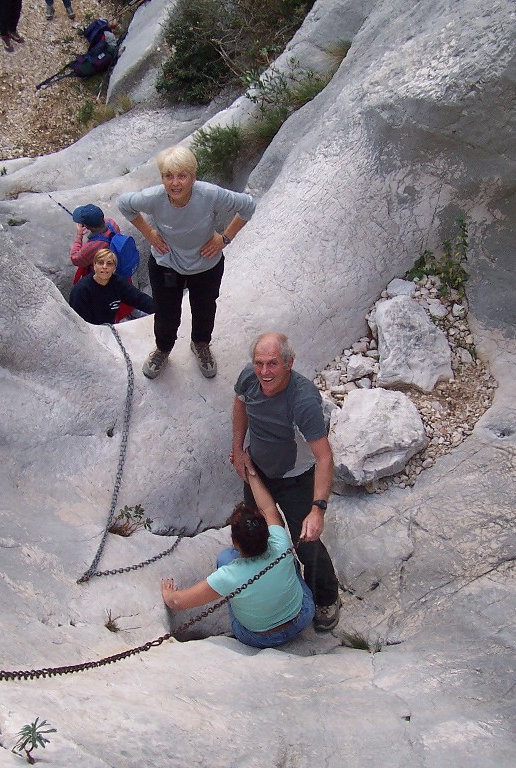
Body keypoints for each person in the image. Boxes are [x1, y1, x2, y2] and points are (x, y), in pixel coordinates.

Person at [230, 332, 341, 632]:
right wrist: (238, 450)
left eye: (273, 364)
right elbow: (240, 406)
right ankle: (276, 586)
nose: (264, 372)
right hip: (259, 469)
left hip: (296, 478)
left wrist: (317, 509)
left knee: (306, 541)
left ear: (289, 363)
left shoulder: (303, 400)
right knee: (254, 534)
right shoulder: (249, 378)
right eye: (259, 363)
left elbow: (324, 457)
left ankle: (325, 596)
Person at [117, 146, 256, 380]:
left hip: (206, 263)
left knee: (204, 308)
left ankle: (201, 344)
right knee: (166, 312)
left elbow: (248, 205)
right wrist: (150, 234)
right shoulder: (154, 198)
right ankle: (163, 349)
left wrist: (225, 238)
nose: (175, 183)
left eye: (182, 176)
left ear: (193, 177)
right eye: (168, 176)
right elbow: (124, 204)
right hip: (167, 264)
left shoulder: (209, 194)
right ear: (161, 178)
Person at [160, 460, 315, 649]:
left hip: (259, 638)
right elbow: (268, 509)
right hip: (301, 618)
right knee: (292, 566)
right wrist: (251, 473)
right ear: (267, 534)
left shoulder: (229, 576)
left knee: (224, 558)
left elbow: (178, 602)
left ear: (235, 542)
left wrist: (169, 595)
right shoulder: (281, 542)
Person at [69, 249, 154, 326]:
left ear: (114, 268)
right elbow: (79, 322)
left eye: (109, 264)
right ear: (94, 266)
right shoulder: (81, 291)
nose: (104, 267)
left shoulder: (118, 283)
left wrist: (163, 311)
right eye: (100, 263)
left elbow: (139, 299)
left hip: (109, 328)